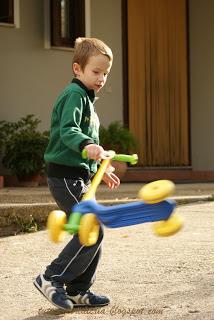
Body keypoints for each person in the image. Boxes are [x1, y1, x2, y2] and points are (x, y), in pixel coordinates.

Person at [34, 37, 120, 311]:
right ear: (77, 69)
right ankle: (51, 278)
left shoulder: (86, 99)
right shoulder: (74, 95)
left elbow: (85, 149)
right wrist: (88, 145)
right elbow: (69, 131)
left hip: (78, 176)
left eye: (105, 73)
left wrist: (99, 170)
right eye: (96, 71)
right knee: (90, 226)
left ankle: (79, 290)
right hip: (65, 178)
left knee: (94, 228)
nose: (101, 78)